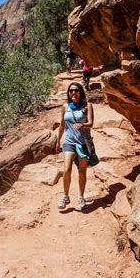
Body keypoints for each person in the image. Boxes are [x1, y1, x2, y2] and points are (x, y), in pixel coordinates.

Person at [56, 82, 94, 210]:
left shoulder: (87, 105)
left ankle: (81, 197)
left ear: (80, 92)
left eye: (76, 90)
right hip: (69, 142)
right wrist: (57, 142)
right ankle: (65, 196)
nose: (73, 93)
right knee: (66, 169)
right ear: (68, 92)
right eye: (71, 90)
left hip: (83, 143)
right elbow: (62, 125)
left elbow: (91, 123)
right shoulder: (65, 107)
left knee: (82, 171)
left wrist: (83, 125)